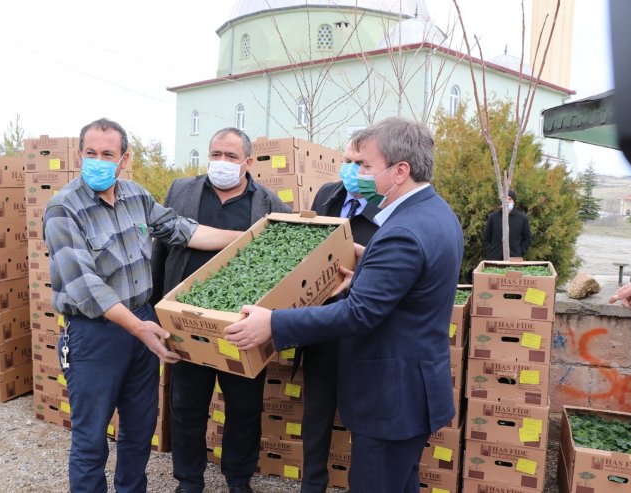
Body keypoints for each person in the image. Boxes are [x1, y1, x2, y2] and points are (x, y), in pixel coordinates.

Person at [224, 117, 464, 493]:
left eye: (365, 165)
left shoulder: (401, 231)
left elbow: (359, 314)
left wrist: (275, 324)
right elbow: (412, 284)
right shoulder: (436, 213)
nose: (357, 173)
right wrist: (367, 269)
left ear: (400, 171)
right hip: (414, 391)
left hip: (392, 399)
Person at [44, 118, 241, 493]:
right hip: (95, 334)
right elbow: (85, 286)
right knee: (90, 439)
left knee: (139, 430)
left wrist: (245, 236)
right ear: (79, 154)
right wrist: (137, 328)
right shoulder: (63, 209)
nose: (98, 161)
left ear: (124, 159)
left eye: (107, 154)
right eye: (91, 153)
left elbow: (183, 229)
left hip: (142, 323)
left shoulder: (135, 195)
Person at [149, 128, 290, 493]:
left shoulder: (270, 205)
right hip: (186, 321)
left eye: (230, 156)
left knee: (243, 408)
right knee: (187, 407)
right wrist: (156, 307)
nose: (221, 163)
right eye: (215, 154)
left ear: (247, 162)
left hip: (242, 327)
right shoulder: (181, 191)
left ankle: (238, 480)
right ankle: (189, 480)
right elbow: (160, 250)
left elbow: (286, 267)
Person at [294, 140, 380, 493]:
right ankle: (311, 485)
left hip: (362, 328)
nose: (350, 169)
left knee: (363, 418)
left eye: (359, 163)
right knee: (316, 413)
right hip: (321, 323)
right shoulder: (328, 194)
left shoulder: (387, 205)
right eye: (345, 160)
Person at [483, 189, 533, 260]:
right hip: (494, 258)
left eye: (510, 199)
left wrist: (520, 251)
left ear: (514, 201)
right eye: (505, 198)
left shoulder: (522, 218)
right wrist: (490, 250)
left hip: (514, 258)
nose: (507, 201)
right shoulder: (493, 217)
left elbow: (527, 239)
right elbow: (486, 238)